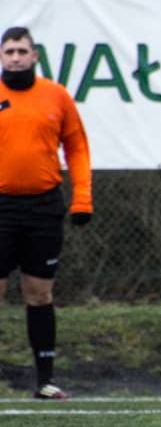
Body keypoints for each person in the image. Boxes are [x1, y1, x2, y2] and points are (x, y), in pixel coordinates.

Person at [0, 26, 93, 400]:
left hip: (43, 208)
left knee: (39, 294)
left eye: (22, 51)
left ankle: (45, 381)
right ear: (2, 56)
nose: (16, 57)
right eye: (9, 51)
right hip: (1, 207)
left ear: (34, 56)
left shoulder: (56, 96)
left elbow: (77, 148)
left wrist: (82, 198)